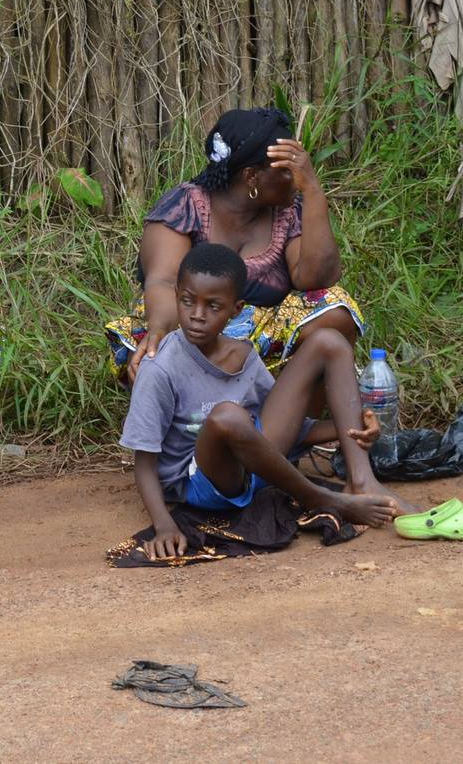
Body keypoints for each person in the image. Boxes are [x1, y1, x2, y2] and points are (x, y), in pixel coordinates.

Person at [119, 243, 410, 561]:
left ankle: (361, 479)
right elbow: (145, 462)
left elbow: (277, 431)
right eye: (187, 301)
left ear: (235, 308)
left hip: (260, 468)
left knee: (330, 342)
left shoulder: (243, 354)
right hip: (202, 483)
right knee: (228, 417)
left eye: (213, 306)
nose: (197, 316)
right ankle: (323, 498)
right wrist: (164, 524)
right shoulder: (159, 368)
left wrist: (349, 431)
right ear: (177, 296)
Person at [107, 107, 364, 386]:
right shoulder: (185, 207)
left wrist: (313, 191)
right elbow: (164, 282)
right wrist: (159, 333)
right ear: (252, 177)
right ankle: (195, 416)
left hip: (263, 350)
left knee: (335, 312)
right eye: (290, 171)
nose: (298, 179)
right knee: (154, 352)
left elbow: (315, 279)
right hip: (190, 335)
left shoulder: (288, 212)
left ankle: (294, 421)